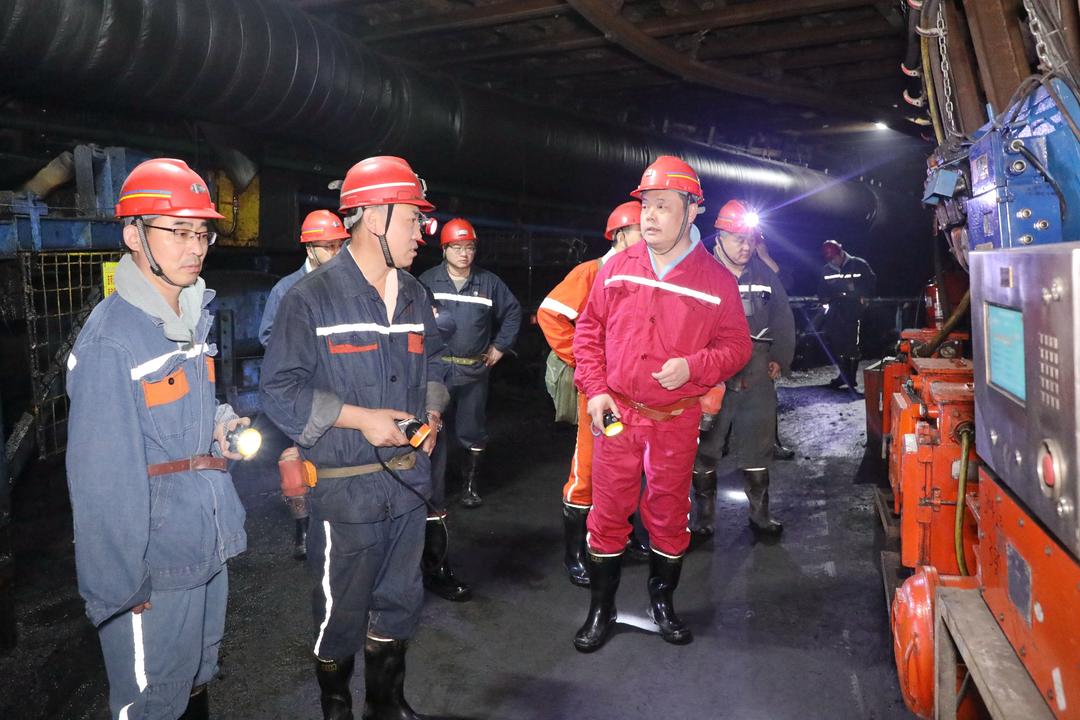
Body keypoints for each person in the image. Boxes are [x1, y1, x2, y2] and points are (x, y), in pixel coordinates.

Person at [259, 155, 449, 720]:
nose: (421, 232)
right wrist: (361, 418)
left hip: (408, 486)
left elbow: (435, 365)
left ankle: (385, 706)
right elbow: (280, 391)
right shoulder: (309, 298)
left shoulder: (414, 293)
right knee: (339, 614)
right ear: (374, 217)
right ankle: (337, 709)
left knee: (399, 603)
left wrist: (432, 412)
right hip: (346, 494)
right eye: (412, 219)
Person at [66, 158, 250, 719]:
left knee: (195, 678)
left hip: (202, 543)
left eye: (203, 233)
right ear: (134, 235)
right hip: (153, 566)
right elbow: (100, 485)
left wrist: (219, 421)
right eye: (179, 231)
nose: (196, 247)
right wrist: (120, 589)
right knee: (150, 703)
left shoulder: (190, 317)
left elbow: (182, 411)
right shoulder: (112, 341)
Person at [572, 156, 752, 652]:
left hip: (674, 420)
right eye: (645, 205)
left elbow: (738, 347)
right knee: (608, 511)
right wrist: (597, 389)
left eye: (662, 206)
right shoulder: (618, 268)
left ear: (691, 210)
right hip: (617, 415)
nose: (648, 216)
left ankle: (662, 605)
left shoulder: (716, 281)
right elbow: (587, 332)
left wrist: (693, 367)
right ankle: (602, 610)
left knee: (669, 515)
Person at [537, 201, 642, 587]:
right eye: (640, 231)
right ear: (620, 235)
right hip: (598, 393)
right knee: (588, 469)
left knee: (628, 467)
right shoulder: (592, 271)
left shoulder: (645, 276)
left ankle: (621, 536)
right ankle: (575, 554)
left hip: (634, 392)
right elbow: (550, 313)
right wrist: (584, 362)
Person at [692, 199, 796, 537]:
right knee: (705, 448)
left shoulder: (764, 275)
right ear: (720, 237)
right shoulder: (701, 272)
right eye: (738, 239)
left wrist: (780, 356)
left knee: (758, 445)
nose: (746, 247)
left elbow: (782, 317)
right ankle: (704, 520)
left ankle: (760, 516)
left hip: (756, 369)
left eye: (750, 240)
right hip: (713, 372)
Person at [259, 209, 347, 560]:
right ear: (310, 248)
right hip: (301, 389)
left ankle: (335, 524)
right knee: (294, 463)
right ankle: (303, 529)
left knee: (334, 460)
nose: (336, 253)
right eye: (328, 246)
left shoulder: (347, 285)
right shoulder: (287, 289)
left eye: (340, 245)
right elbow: (268, 334)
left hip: (337, 387)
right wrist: (305, 354)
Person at [417, 219, 522, 508]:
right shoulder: (428, 281)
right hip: (437, 371)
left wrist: (500, 346)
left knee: (471, 430)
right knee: (432, 425)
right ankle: (432, 490)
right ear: (444, 249)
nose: (464, 254)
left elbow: (513, 312)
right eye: (457, 248)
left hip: (474, 371)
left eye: (469, 248)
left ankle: (469, 487)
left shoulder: (489, 283)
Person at [818, 239, 877, 392]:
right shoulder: (827, 269)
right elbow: (822, 288)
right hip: (835, 309)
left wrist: (863, 295)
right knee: (836, 342)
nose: (832, 262)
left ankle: (850, 377)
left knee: (852, 344)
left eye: (833, 258)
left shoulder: (859, 264)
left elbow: (871, 282)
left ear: (840, 253)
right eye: (829, 259)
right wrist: (823, 299)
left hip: (853, 308)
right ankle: (843, 375)